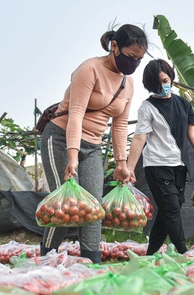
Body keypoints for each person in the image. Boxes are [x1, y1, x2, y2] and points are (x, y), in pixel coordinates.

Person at [40, 24, 148, 263]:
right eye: (131, 57)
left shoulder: (127, 84)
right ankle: (46, 257)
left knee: (94, 208)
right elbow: (76, 114)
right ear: (114, 46)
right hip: (60, 139)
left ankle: (91, 261)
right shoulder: (89, 70)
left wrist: (122, 163)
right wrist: (71, 157)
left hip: (93, 147)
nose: (134, 64)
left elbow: (119, 125)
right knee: (66, 205)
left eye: (139, 60)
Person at [126, 59, 194, 255]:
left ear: (171, 77)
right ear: (150, 86)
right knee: (172, 210)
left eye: (165, 80)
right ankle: (184, 253)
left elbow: (192, 133)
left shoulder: (184, 104)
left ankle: (150, 256)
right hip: (157, 166)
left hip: (179, 166)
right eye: (156, 84)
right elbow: (140, 137)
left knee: (168, 211)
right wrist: (129, 168)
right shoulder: (147, 107)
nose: (162, 86)